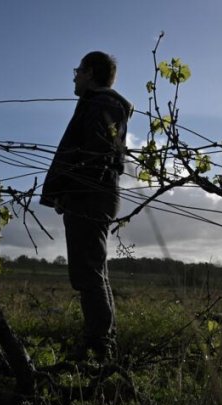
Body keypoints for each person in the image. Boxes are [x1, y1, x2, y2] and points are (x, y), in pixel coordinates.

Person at [40, 51, 132, 361]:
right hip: (93, 194)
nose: (74, 76)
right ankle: (102, 340)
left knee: (88, 272)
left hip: (90, 196)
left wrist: (69, 189)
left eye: (78, 70)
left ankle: (99, 345)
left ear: (90, 72)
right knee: (94, 270)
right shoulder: (101, 104)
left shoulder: (101, 104)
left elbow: (94, 156)